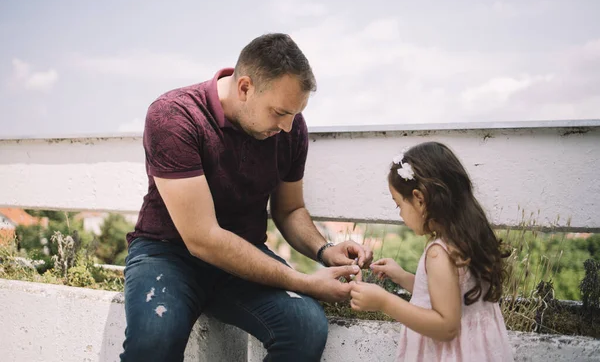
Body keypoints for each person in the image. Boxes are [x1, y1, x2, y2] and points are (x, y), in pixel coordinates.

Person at [121, 33, 373, 362]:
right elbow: (203, 239)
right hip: (168, 255)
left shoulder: (291, 128)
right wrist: (306, 282)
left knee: (306, 327)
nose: (287, 127)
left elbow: (290, 208)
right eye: (280, 112)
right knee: (154, 342)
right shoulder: (174, 116)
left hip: (245, 258)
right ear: (244, 88)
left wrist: (324, 250)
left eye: (295, 114)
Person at [349, 142, 514, 362]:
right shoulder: (465, 239)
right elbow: (448, 293)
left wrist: (384, 302)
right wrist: (403, 277)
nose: (400, 214)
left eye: (399, 205)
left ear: (419, 199)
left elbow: (447, 326)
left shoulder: (439, 253)